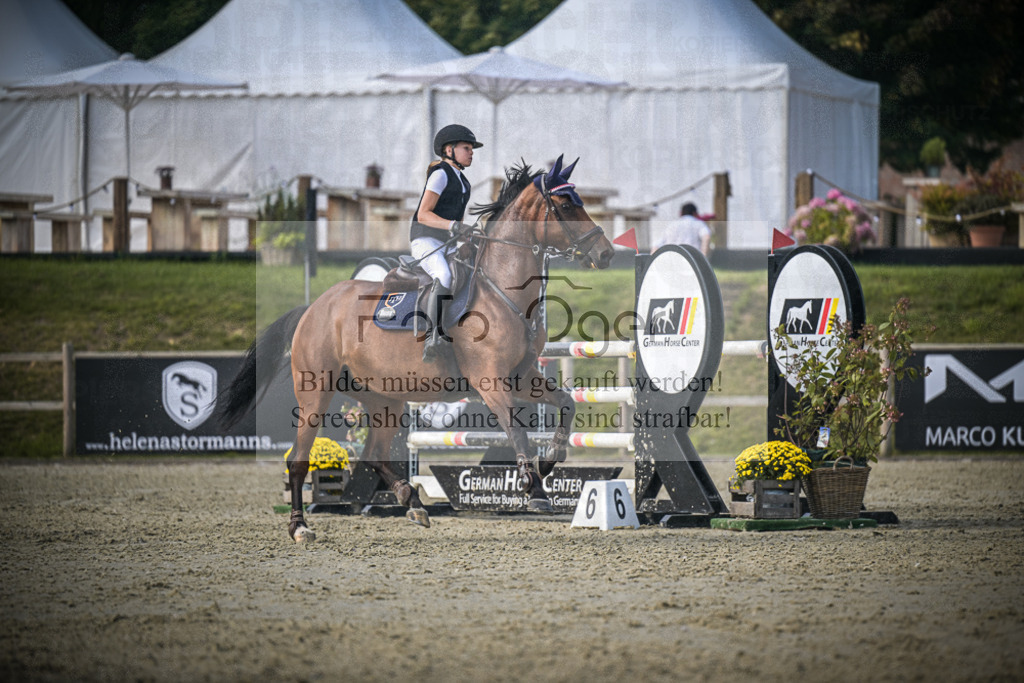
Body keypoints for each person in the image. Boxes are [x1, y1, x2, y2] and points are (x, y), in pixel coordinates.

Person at [410, 124, 482, 362]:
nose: (471, 152)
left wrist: (464, 239)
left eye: (471, 149)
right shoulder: (440, 173)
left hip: (447, 242)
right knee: (443, 274)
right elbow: (423, 214)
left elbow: (458, 222)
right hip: (425, 240)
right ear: (449, 149)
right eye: (466, 148)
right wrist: (453, 227)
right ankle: (432, 336)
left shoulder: (465, 182)